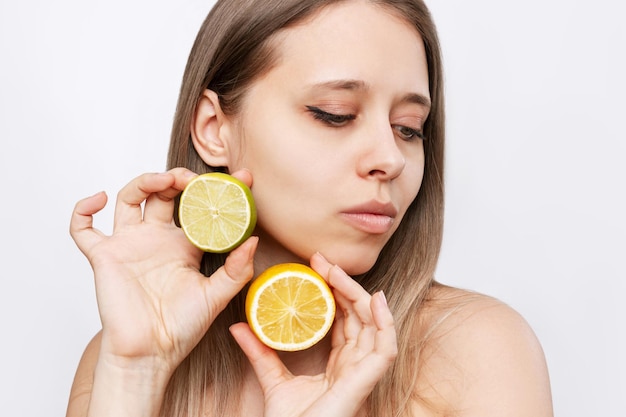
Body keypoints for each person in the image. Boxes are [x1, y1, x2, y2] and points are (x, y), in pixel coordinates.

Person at [66, 0, 553, 416]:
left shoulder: (477, 350)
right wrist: (134, 373)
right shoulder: (117, 355)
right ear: (215, 130)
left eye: (408, 127)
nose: (389, 158)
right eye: (334, 115)